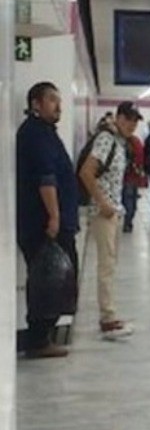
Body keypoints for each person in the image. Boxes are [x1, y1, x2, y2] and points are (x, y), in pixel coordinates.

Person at [16, 82, 79, 358]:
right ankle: (39, 339)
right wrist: (54, 216)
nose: (58, 106)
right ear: (36, 104)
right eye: (52, 100)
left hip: (50, 223)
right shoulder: (36, 135)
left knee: (56, 277)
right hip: (44, 226)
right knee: (49, 279)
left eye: (59, 100)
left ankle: (40, 335)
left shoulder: (43, 132)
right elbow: (46, 178)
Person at [79, 101, 140, 341]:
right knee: (106, 265)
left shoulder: (119, 142)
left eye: (135, 120)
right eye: (128, 119)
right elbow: (86, 172)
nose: (132, 125)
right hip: (103, 211)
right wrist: (103, 202)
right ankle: (107, 318)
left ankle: (110, 315)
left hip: (113, 210)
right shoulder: (106, 139)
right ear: (118, 118)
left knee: (110, 264)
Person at [121, 130, 146, 233]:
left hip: (122, 177)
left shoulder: (119, 142)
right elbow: (141, 159)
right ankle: (128, 222)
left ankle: (126, 221)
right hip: (133, 177)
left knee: (126, 200)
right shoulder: (136, 141)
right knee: (131, 201)